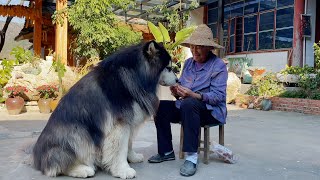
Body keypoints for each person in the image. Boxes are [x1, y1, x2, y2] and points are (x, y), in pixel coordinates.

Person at [148, 24, 228, 177]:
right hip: (187, 106)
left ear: (209, 48)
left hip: (210, 111)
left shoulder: (218, 65)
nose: (194, 51)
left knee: (190, 104)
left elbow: (219, 97)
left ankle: (191, 158)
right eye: (192, 46)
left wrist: (194, 95)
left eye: (199, 47)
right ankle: (166, 151)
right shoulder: (189, 63)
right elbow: (183, 91)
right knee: (159, 106)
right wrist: (177, 92)